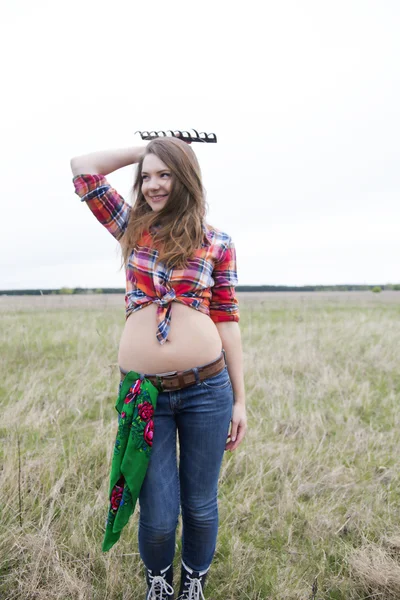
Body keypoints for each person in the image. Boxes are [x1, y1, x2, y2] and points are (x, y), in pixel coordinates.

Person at [70, 136, 247, 600]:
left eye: (164, 174)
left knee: (201, 504)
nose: (152, 184)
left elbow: (227, 320)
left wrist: (241, 400)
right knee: (158, 510)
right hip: (145, 393)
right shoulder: (131, 227)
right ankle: (158, 581)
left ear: (185, 176)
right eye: (146, 176)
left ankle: (193, 581)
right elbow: (83, 168)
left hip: (208, 390)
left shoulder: (217, 243)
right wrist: (146, 148)